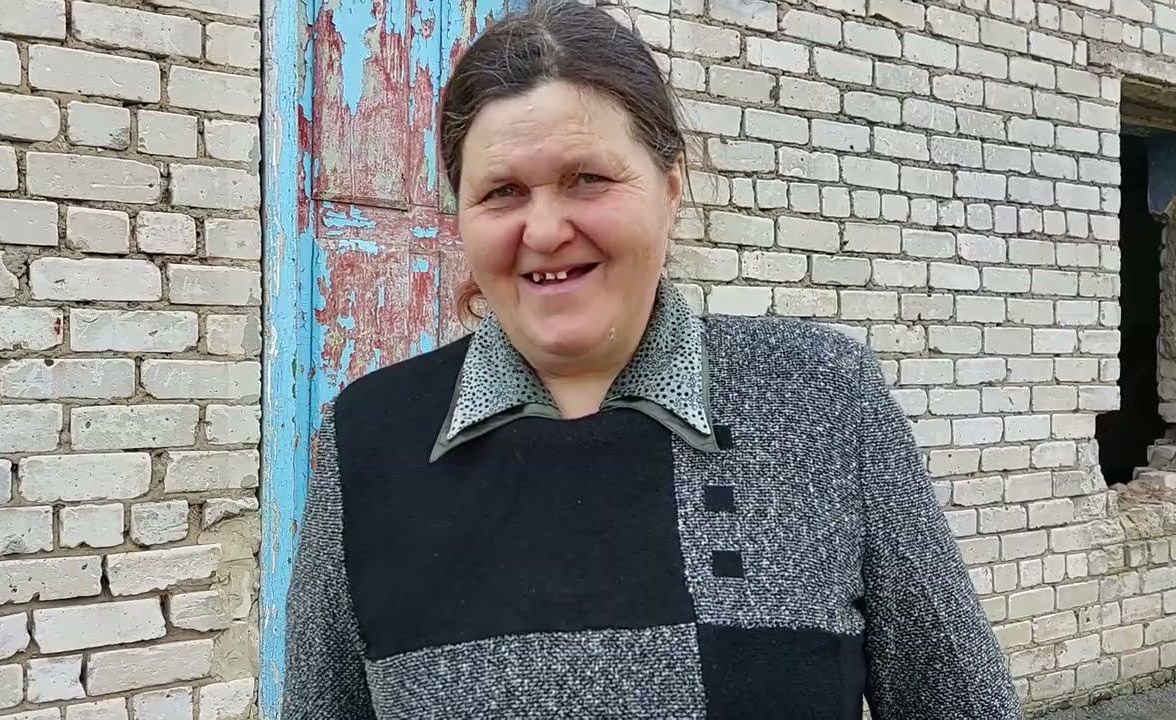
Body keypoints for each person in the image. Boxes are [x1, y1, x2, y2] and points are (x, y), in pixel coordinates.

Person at [282, 2, 1022, 717]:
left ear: (670, 189)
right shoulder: (366, 439)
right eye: (502, 192)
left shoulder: (823, 398)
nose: (544, 229)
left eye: (587, 179)